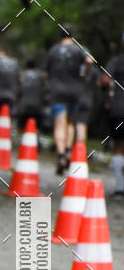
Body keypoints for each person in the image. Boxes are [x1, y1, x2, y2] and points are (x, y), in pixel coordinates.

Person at [43, 26, 93, 174]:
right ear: (73, 35)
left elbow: (45, 73)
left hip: (57, 91)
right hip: (75, 91)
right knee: (70, 122)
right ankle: (67, 151)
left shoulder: (53, 50)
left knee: (60, 123)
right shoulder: (79, 48)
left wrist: (51, 82)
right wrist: (84, 74)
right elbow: (89, 60)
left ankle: (60, 156)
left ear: (60, 35)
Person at [101, 34, 124, 197]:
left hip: (119, 109)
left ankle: (120, 187)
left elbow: (104, 80)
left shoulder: (116, 61)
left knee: (118, 147)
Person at [17, 59, 44, 132]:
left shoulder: (22, 74)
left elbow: (18, 88)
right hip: (37, 103)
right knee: (35, 126)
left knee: (22, 126)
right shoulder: (40, 75)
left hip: (23, 103)